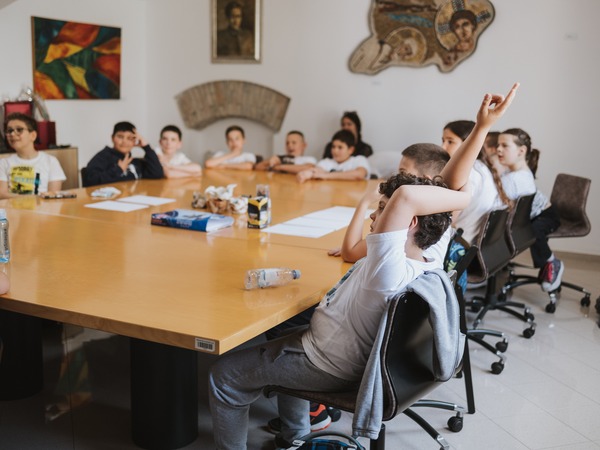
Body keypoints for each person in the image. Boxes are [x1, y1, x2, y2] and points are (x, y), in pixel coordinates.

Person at [208, 83, 519, 449]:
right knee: (282, 329)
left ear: (409, 220)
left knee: (223, 377)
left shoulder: (388, 265)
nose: (377, 213)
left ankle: (291, 433)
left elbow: (406, 196)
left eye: (383, 210)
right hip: (358, 350)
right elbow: (446, 185)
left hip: (328, 361)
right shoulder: (432, 247)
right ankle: (295, 437)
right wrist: (482, 127)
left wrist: (462, 198)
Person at [328, 143, 450, 263]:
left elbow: (349, 253)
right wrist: (364, 249)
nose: (397, 177)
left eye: (403, 172)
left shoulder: (410, 216)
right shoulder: (437, 212)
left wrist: (365, 202)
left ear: (425, 180)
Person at [496, 128, 563, 292]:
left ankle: (551, 262)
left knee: (534, 231)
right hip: (532, 215)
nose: (498, 149)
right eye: (498, 145)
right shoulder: (516, 172)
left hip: (545, 216)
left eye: (504, 145)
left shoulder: (516, 178)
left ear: (521, 151)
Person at [441, 120, 509, 243]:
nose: (443, 147)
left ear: (468, 143)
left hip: (460, 242)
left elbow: (446, 221)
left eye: (450, 141)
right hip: (475, 240)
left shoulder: (466, 173)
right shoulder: (481, 167)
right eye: (443, 140)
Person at [0, 112, 66, 199]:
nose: (12, 134)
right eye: (9, 130)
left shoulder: (51, 161)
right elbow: (2, 195)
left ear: (33, 135)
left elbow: (52, 195)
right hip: (12, 211)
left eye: (19, 129)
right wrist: (33, 198)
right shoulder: (3, 163)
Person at [82, 121, 164, 187]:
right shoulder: (102, 157)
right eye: (120, 137)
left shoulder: (134, 161)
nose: (124, 141)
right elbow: (91, 181)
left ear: (135, 141)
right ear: (112, 138)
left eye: (129, 138)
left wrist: (146, 147)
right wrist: (118, 169)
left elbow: (157, 174)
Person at [297, 130, 370, 183]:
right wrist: (308, 173)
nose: (335, 150)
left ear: (351, 150)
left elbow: (359, 175)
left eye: (340, 147)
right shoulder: (326, 161)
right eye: (333, 147)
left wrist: (325, 175)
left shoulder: (359, 160)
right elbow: (317, 171)